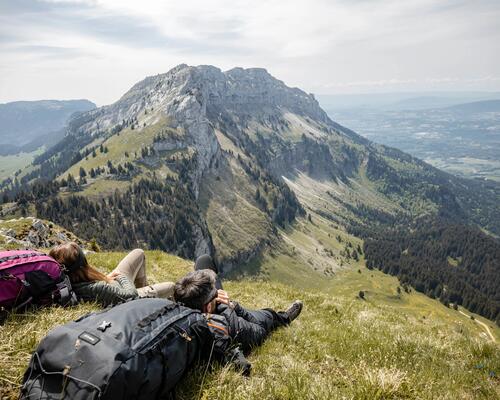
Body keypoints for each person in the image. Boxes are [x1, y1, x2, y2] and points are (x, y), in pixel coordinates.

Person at [173, 268, 303, 354]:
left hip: (204, 306)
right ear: (208, 308)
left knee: (204, 260)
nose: (218, 293)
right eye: (215, 294)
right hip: (234, 316)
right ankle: (284, 318)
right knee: (268, 315)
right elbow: (260, 330)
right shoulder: (230, 325)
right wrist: (232, 306)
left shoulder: (178, 308)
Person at [49, 242, 175, 306]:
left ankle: (145, 294)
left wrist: (108, 278)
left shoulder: (65, 282)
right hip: (128, 296)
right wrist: (121, 277)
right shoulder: (95, 288)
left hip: (113, 286)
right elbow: (130, 294)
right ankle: (145, 304)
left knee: (139, 253)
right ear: (82, 265)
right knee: (172, 286)